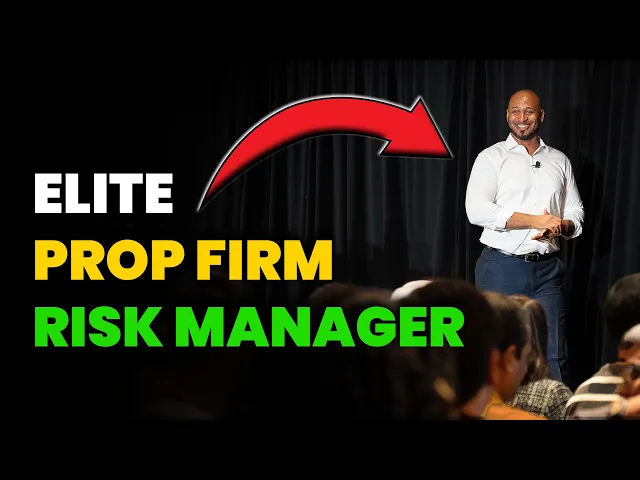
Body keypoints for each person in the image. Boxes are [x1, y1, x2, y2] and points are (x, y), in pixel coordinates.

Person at [465, 89, 585, 383]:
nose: (522, 118)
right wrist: (535, 221)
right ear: (507, 115)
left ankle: (557, 406)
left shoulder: (559, 160)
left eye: (529, 111)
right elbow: (476, 211)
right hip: (501, 268)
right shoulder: (491, 157)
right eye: (516, 111)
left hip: (547, 272)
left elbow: (576, 211)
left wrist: (561, 225)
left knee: (554, 355)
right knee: (498, 352)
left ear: (540, 115)